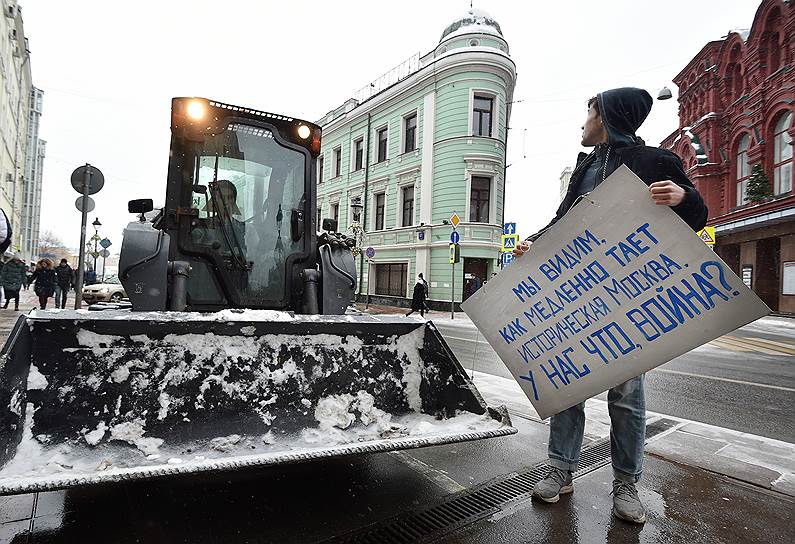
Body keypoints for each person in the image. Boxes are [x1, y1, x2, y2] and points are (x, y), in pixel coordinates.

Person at [513, 88, 707, 525]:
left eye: (588, 110)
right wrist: (534, 244)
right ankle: (561, 469)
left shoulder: (652, 161)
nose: (583, 121)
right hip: (577, 293)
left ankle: (626, 484)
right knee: (568, 386)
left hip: (627, 297)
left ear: (605, 115)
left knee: (625, 394)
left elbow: (698, 215)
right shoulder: (585, 166)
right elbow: (565, 223)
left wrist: (681, 197)